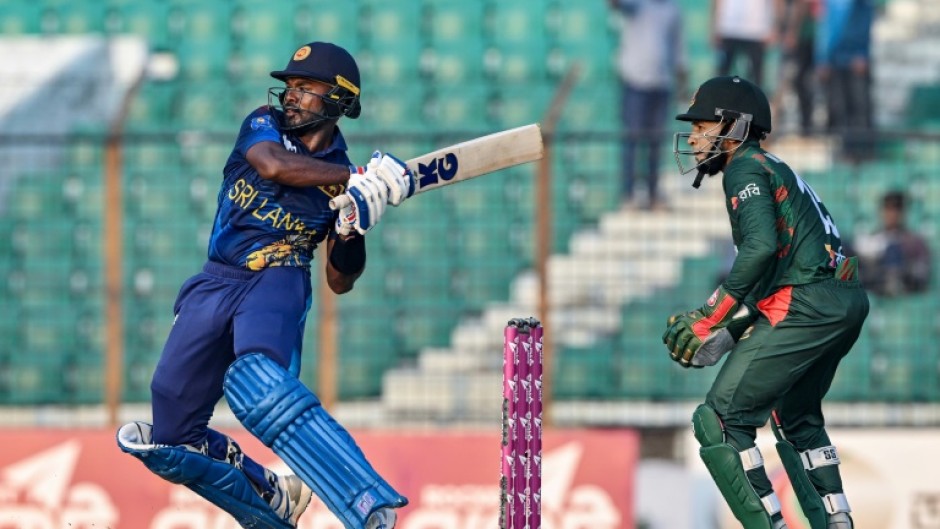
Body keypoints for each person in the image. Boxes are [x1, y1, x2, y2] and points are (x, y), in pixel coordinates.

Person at [116, 42, 416, 529]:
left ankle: (365, 500)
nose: (291, 96)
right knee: (169, 437)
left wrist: (352, 225)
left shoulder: (349, 187)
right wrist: (355, 177)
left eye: (305, 89)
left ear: (340, 100)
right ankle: (268, 494)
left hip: (277, 281)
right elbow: (272, 165)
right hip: (217, 279)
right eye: (290, 87)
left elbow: (341, 280)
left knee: (258, 380)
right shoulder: (264, 126)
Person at [663, 75, 866, 529]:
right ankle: (836, 521)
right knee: (794, 417)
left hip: (806, 301)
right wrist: (732, 329)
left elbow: (759, 249)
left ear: (733, 127)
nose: (694, 138)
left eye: (702, 126)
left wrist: (710, 316)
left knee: (720, 421)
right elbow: (772, 267)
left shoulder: (744, 167)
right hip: (841, 299)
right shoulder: (771, 165)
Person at [609, 0, 687, 210]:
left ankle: (653, 194)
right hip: (634, 81)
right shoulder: (637, 4)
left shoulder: (672, 9)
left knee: (655, 142)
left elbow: (677, 46)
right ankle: (629, 195)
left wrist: (681, 77)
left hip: (661, 83)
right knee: (632, 139)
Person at [816, 0, 875, 163]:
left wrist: (862, 52)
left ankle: (865, 152)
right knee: (839, 109)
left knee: (860, 107)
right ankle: (846, 152)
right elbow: (826, 27)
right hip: (835, 62)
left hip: (855, 60)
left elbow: (866, 22)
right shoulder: (830, 3)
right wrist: (822, 58)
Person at [852, 190, 932, 296]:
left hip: (904, 291)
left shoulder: (915, 242)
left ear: (904, 212)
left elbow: (921, 274)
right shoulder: (870, 240)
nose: (892, 214)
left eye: (897, 209)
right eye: (888, 208)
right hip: (874, 288)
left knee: (893, 251)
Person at [711, 0, 786, 88]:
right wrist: (714, 25)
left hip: (757, 30)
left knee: (757, 76)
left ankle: (756, 100)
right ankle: (720, 100)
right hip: (729, 27)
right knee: (723, 74)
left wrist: (775, 27)